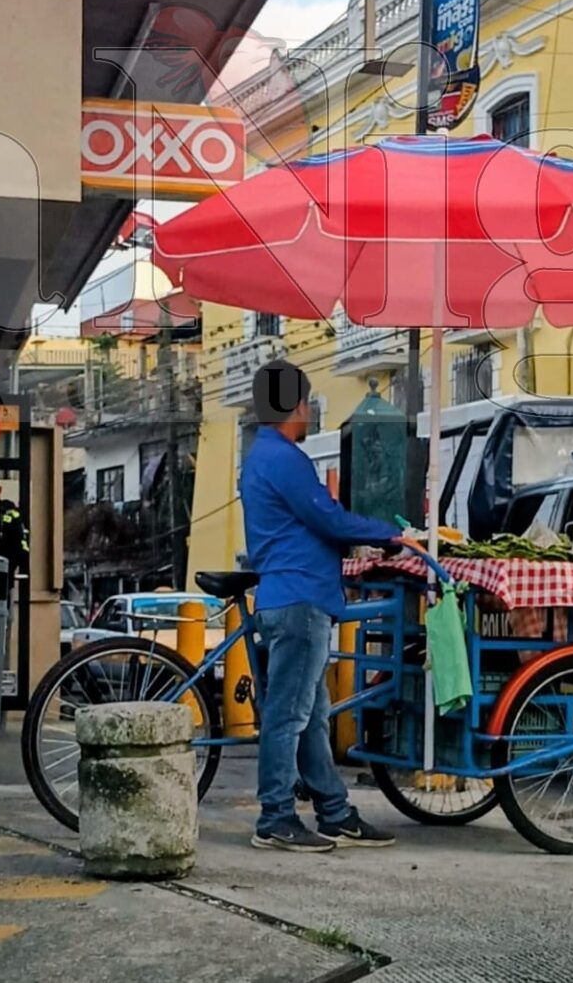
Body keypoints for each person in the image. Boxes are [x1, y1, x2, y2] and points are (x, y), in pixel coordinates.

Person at [239, 358, 401, 853]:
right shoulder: (284, 459)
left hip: (293, 593)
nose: (310, 415)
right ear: (294, 405)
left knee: (311, 712)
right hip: (299, 597)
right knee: (289, 713)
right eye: (308, 404)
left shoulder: (262, 455)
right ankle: (275, 815)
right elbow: (326, 517)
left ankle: (333, 810)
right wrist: (389, 535)